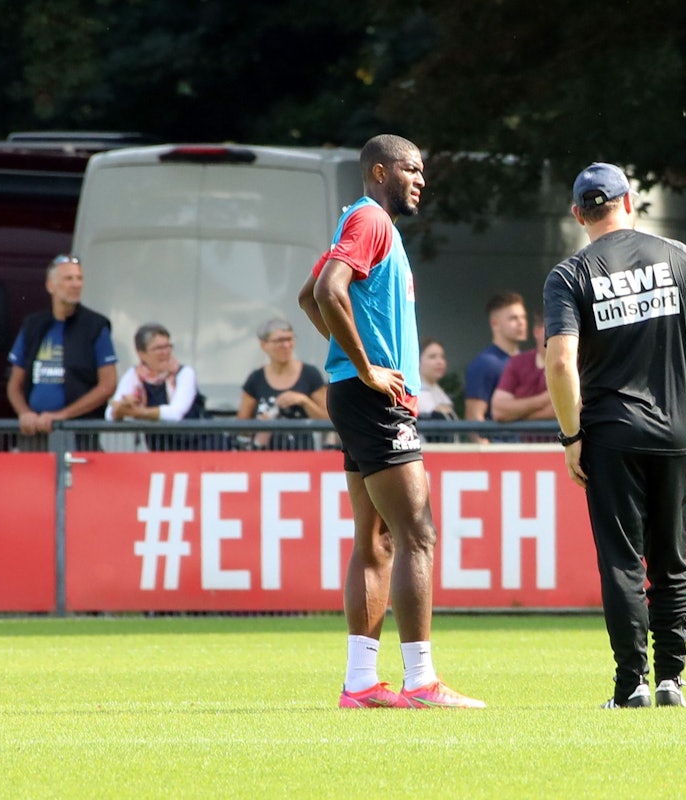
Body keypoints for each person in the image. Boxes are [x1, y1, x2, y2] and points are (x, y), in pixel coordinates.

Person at [544, 162, 686, 709]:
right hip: (677, 432)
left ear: (577, 213)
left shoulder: (570, 275)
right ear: (628, 202)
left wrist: (570, 437)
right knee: (672, 560)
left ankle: (630, 681)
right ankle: (671, 679)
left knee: (622, 562)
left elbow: (561, 362)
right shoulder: (682, 257)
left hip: (611, 433)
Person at [298, 133, 484, 710]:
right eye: (412, 169)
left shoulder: (362, 223)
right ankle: (422, 681)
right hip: (372, 398)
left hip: (355, 395)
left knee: (375, 537)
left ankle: (360, 683)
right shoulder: (372, 221)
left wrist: (356, 363)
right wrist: (370, 368)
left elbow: (309, 298)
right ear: (380, 171)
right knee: (417, 534)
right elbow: (327, 292)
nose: (421, 180)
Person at [6, 254, 117, 451]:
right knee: (34, 481)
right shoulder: (33, 325)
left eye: (79, 278)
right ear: (50, 285)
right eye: (68, 279)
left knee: (81, 482)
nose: (76, 284)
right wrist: (25, 413)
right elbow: (14, 384)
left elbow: (108, 385)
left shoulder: (96, 326)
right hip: (36, 434)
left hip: (79, 434)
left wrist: (63, 415)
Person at [105, 323, 210, 451]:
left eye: (168, 346)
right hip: (161, 452)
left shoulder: (185, 373)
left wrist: (137, 412)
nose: (165, 352)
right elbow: (110, 414)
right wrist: (123, 407)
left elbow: (175, 413)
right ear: (142, 354)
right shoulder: (134, 375)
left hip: (201, 448)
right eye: (159, 348)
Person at [237, 318, 328, 450]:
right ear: (264, 345)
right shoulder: (255, 379)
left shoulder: (310, 375)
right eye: (279, 340)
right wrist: (260, 424)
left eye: (289, 339)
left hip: (304, 456)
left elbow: (328, 419)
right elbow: (241, 427)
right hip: (265, 458)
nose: (286, 345)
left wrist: (305, 401)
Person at [463, 291, 527, 442]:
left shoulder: (528, 361)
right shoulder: (485, 364)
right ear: (495, 323)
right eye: (513, 318)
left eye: (523, 317)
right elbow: (474, 417)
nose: (521, 323)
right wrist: (489, 455)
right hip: (502, 454)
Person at [491, 310, 556, 441]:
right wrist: (544, 399)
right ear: (537, 332)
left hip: (564, 452)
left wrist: (517, 414)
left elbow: (573, 409)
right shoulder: (517, 363)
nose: (559, 334)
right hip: (524, 452)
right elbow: (498, 410)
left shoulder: (578, 363)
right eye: (553, 328)